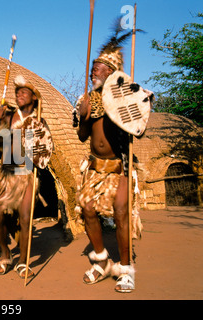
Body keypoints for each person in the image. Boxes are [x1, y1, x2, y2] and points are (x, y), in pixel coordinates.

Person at [75, 28, 150, 293]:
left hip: (121, 166)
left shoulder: (125, 96)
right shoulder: (86, 100)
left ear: (110, 71)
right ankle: (102, 261)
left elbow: (140, 128)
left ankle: (126, 269)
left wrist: (128, 107)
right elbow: (84, 137)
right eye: (92, 67)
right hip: (95, 168)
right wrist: (84, 116)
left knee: (121, 214)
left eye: (97, 68)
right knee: (87, 209)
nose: (92, 72)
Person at [0, 76, 51, 279]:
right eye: (17, 92)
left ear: (34, 97)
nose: (19, 94)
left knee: (25, 219)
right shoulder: (7, 117)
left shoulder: (39, 121)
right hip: (4, 174)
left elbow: (45, 152)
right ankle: (5, 254)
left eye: (24, 92)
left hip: (26, 175)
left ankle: (23, 262)